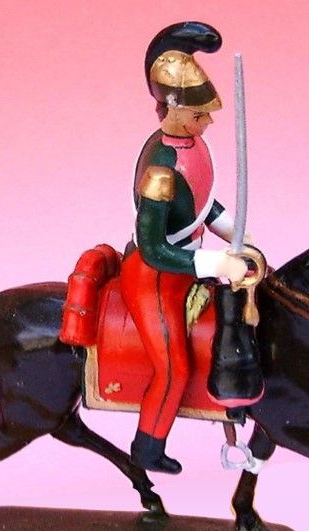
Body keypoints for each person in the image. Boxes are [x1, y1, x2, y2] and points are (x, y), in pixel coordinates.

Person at [121, 22, 260, 475]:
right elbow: (153, 248)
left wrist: (232, 230)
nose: (209, 122)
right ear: (175, 110)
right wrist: (215, 261)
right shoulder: (160, 172)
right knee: (173, 368)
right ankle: (147, 448)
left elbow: (201, 203)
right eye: (201, 115)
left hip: (190, 261)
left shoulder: (194, 147)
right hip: (157, 276)